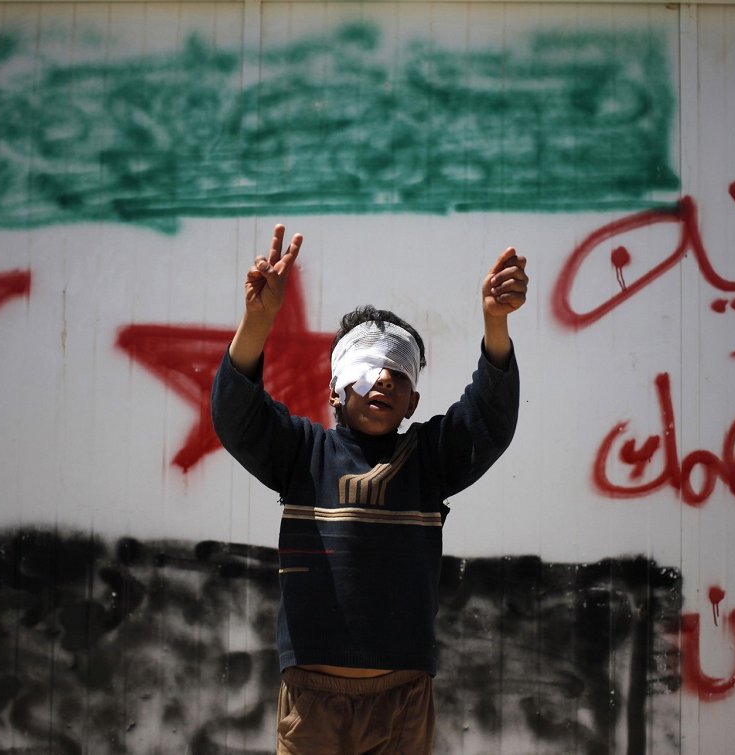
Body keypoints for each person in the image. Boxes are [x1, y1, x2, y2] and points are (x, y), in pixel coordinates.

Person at [211, 224, 528, 754]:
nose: (382, 380)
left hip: (402, 700)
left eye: (398, 373)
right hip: (311, 702)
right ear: (334, 390)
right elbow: (235, 415)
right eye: (365, 368)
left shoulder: (429, 461)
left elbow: (489, 418)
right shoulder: (301, 455)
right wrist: (257, 323)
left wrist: (496, 325)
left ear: (412, 402)